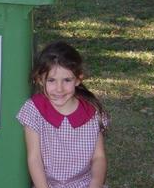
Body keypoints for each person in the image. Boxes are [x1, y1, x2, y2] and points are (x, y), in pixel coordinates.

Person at [17, 41, 109, 188]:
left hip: (84, 184)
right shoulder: (34, 110)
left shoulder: (92, 112)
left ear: (78, 79)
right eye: (51, 80)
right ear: (40, 79)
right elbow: (34, 158)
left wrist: (95, 184)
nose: (59, 89)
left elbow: (99, 157)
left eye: (67, 80)